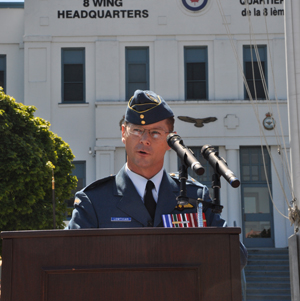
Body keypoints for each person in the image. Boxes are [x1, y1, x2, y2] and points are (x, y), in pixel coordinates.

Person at [67, 89, 247, 268]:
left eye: (155, 133)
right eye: (137, 130)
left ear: (170, 140)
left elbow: (237, 259)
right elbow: (68, 260)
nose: (144, 140)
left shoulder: (195, 196)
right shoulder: (94, 201)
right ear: (123, 133)